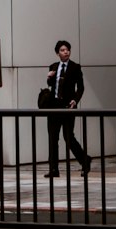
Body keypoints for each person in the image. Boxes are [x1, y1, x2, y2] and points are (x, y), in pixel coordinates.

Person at [44, 39, 89, 178]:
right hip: (54, 107)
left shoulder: (75, 67)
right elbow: (51, 85)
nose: (66, 52)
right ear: (58, 53)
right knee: (53, 138)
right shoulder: (53, 66)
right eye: (63, 50)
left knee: (68, 137)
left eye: (67, 50)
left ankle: (84, 160)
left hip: (68, 107)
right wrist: (49, 77)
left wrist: (75, 100)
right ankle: (53, 169)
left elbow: (80, 87)